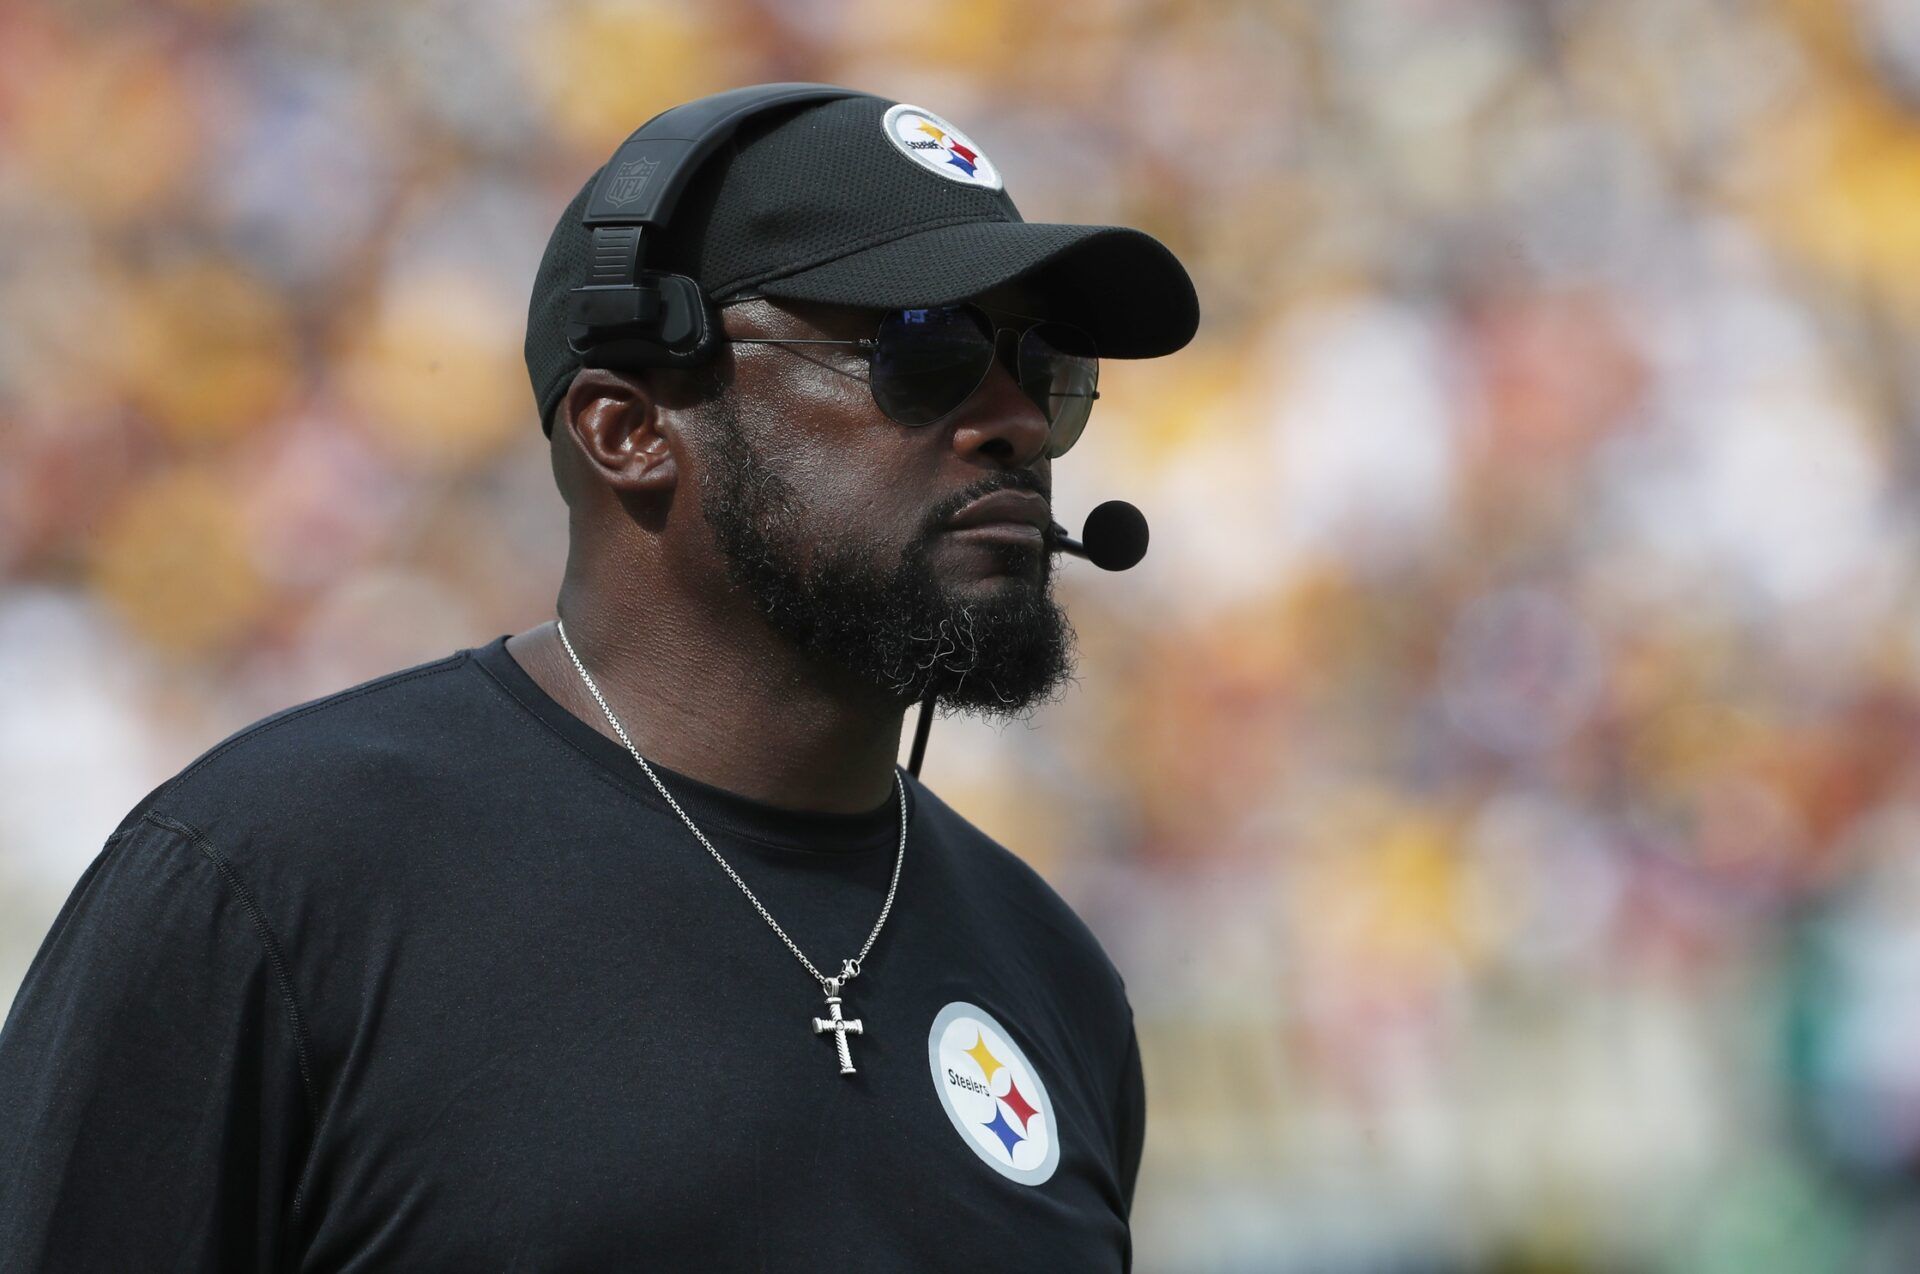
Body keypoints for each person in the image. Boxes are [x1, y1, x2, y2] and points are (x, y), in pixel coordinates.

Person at [0, 87, 1197, 1271]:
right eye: (922, 350)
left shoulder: (1052, 969)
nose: (1018, 425)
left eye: (1041, 368)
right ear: (626, 427)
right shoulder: (274, 880)